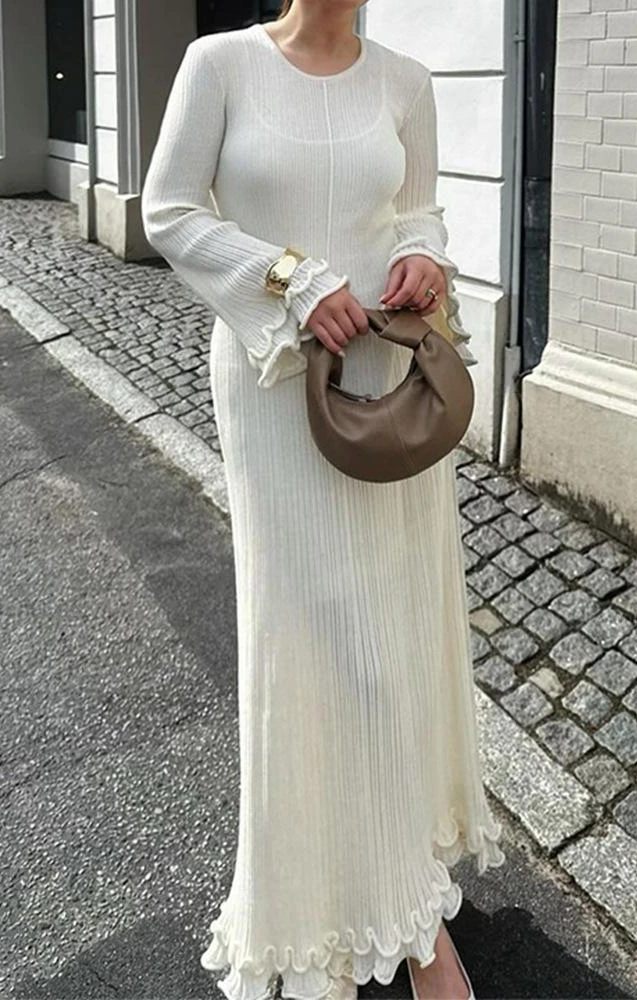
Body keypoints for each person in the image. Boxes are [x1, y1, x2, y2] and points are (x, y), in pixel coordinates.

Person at [140, 2, 507, 998]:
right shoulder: (220, 63)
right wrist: (289, 277)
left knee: (389, 642)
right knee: (309, 640)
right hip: (273, 389)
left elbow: (418, 213)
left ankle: (408, 899)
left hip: (386, 386)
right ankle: (353, 916)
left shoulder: (405, 82)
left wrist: (425, 255)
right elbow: (169, 210)